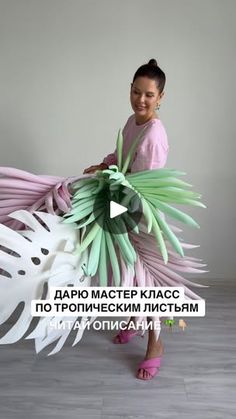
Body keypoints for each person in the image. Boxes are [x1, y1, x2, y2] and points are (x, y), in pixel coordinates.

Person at [83, 59, 168, 380]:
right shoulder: (134, 121)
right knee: (128, 276)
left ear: (161, 97)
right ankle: (134, 322)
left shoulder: (155, 133)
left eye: (148, 95)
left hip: (141, 212)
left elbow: (142, 183)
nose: (140, 100)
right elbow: (122, 155)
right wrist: (103, 164)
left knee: (146, 280)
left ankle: (156, 344)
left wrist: (112, 174)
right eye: (135, 92)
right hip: (124, 204)